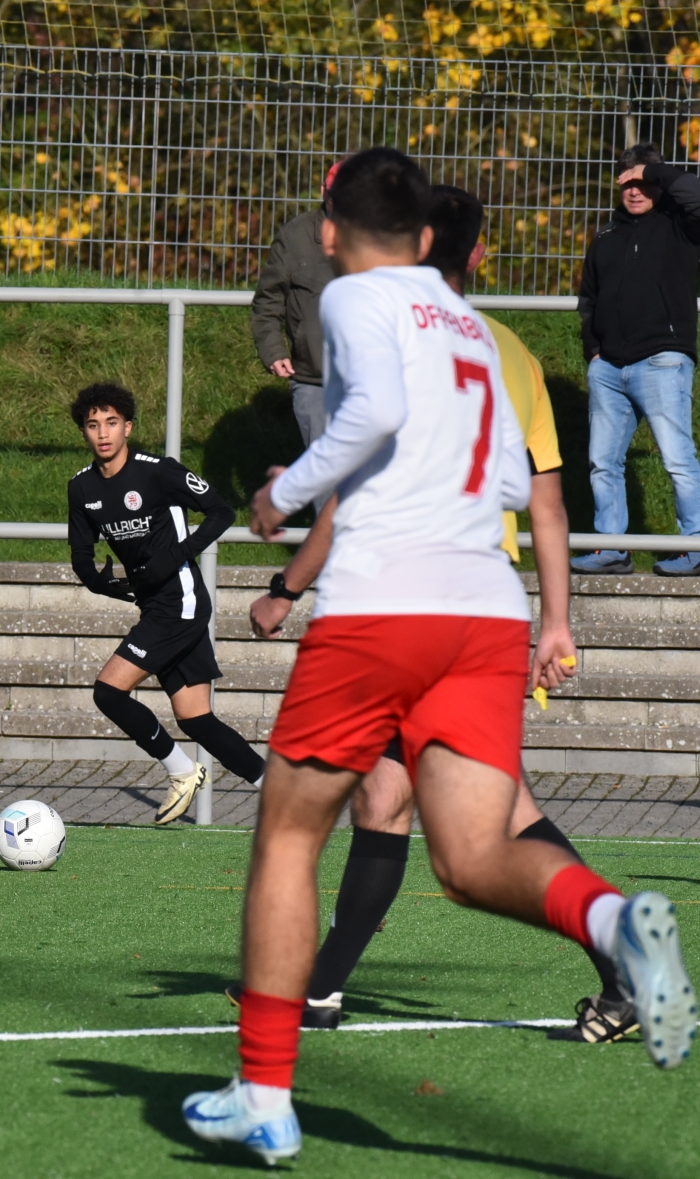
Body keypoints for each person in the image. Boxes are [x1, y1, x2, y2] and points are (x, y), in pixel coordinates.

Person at [183, 148, 696, 1165]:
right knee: (470, 858)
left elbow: (370, 414)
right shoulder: (469, 328)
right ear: (427, 236)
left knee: (287, 836)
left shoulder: (354, 296)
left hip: (387, 604)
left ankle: (265, 1092)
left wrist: (286, 492)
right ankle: (613, 922)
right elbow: (513, 480)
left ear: (333, 233)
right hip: (485, 611)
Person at [236, 184, 631, 1043]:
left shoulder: (384, 325)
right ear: (477, 255)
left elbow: (357, 481)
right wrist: (555, 622)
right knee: (415, 807)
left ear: (410, 243)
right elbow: (543, 500)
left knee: (309, 822)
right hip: (485, 605)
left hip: (395, 600)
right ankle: (323, 989)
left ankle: (281, 1045)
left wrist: (289, 574)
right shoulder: (505, 350)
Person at [66, 382, 266, 824]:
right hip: (153, 605)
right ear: (84, 432)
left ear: (128, 427)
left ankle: (181, 770)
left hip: (180, 602)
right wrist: (99, 582)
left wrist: (175, 556)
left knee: (108, 691)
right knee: (196, 719)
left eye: (112, 423)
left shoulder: (158, 472)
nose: (103, 433)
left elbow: (221, 511)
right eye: (93, 425)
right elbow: (81, 554)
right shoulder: (81, 487)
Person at [572, 143, 700, 577]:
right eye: (627, 183)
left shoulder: (681, 223)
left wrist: (654, 171)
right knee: (602, 462)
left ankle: (696, 549)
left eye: (642, 183)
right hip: (608, 368)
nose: (634, 191)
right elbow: (588, 298)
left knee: (677, 459)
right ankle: (611, 548)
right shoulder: (606, 235)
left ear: (657, 182)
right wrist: (594, 351)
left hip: (662, 362)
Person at [249, 162, 341, 445]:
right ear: (324, 191)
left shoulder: (381, 239)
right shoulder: (295, 235)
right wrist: (274, 351)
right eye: (335, 194)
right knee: (325, 465)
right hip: (313, 380)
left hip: (369, 382)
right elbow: (268, 300)